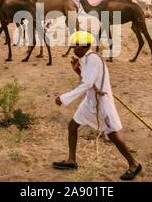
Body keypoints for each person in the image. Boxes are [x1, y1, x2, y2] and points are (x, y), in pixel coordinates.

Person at [53, 31, 142, 180]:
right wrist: (77, 71)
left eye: (76, 46)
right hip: (90, 102)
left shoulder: (93, 59)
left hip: (101, 104)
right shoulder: (87, 59)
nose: (74, 49)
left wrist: (64, 98)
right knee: (72, 126)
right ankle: (71, 160)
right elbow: (89, 80)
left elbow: (87, 84)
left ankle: (134, 164)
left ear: (84, 46)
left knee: (113, 135)